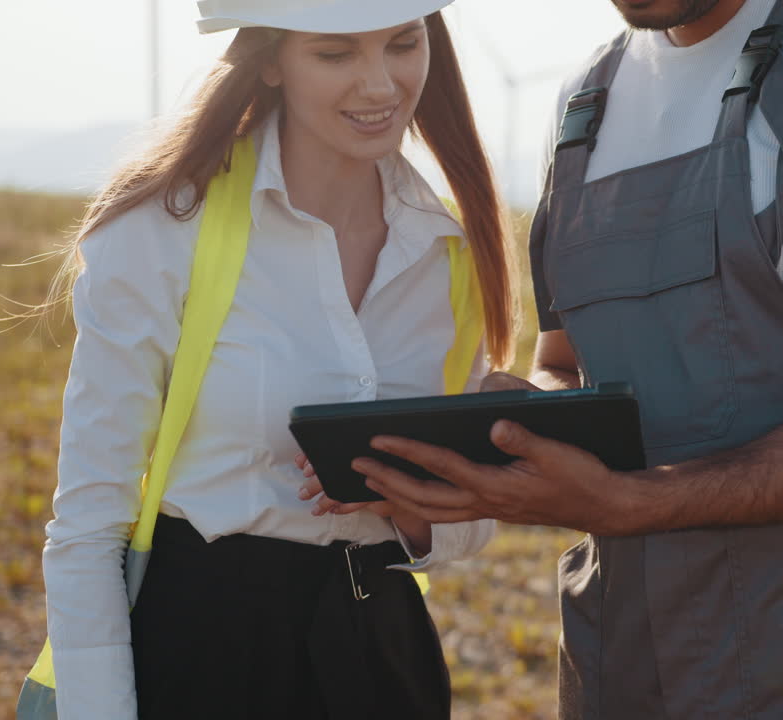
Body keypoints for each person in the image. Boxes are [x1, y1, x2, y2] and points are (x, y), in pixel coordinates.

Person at [329, 0, 783, 717]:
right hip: (624, 659)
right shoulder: (583, 101)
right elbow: (566, 365)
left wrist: (639, 503)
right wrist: (514, 436)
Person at [37, 1, 511, 717]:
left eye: (402, 43)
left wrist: (408, 503)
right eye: (335, 53)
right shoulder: (161, 231)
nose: (380, 84)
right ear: (269, 61)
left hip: (385, 659)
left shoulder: (449, 251)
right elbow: (88, 523)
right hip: (207, 655)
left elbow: (468, 523)